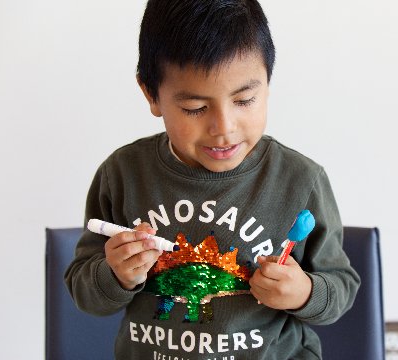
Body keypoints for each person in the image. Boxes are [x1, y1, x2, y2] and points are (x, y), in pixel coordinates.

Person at [65, 0, 360, 359]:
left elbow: (341, 288)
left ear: (268, 82)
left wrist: (305, 293)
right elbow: (85, 294)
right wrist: (116, 275)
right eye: (195, 108)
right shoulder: (122, 174)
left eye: (245, 100)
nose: (224, 128)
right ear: (151, 94)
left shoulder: (300, 180)